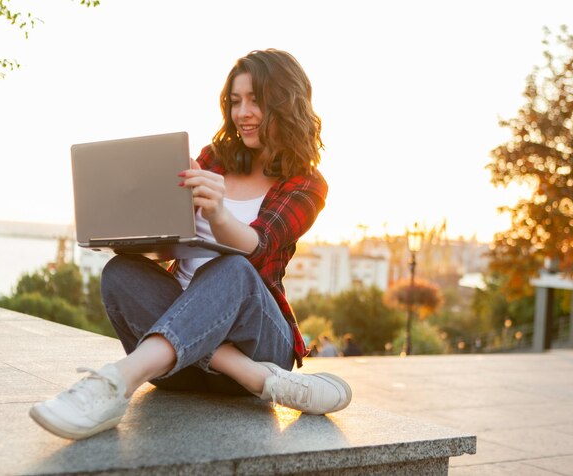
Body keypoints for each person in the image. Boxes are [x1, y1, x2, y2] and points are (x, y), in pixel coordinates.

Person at [29, 49, 352, 440]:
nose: (242, 112)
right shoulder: (213, 160)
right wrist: (136, 232)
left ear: (285, 103)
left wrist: (218, 213)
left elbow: (259, 246)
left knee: (231, 268)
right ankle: (262, 381)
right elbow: (176, 244)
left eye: (256, 100)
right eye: (235, 102)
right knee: (120, 272)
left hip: (258, 340)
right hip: (179, 369)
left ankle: (115, 383)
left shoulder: (307, 183)